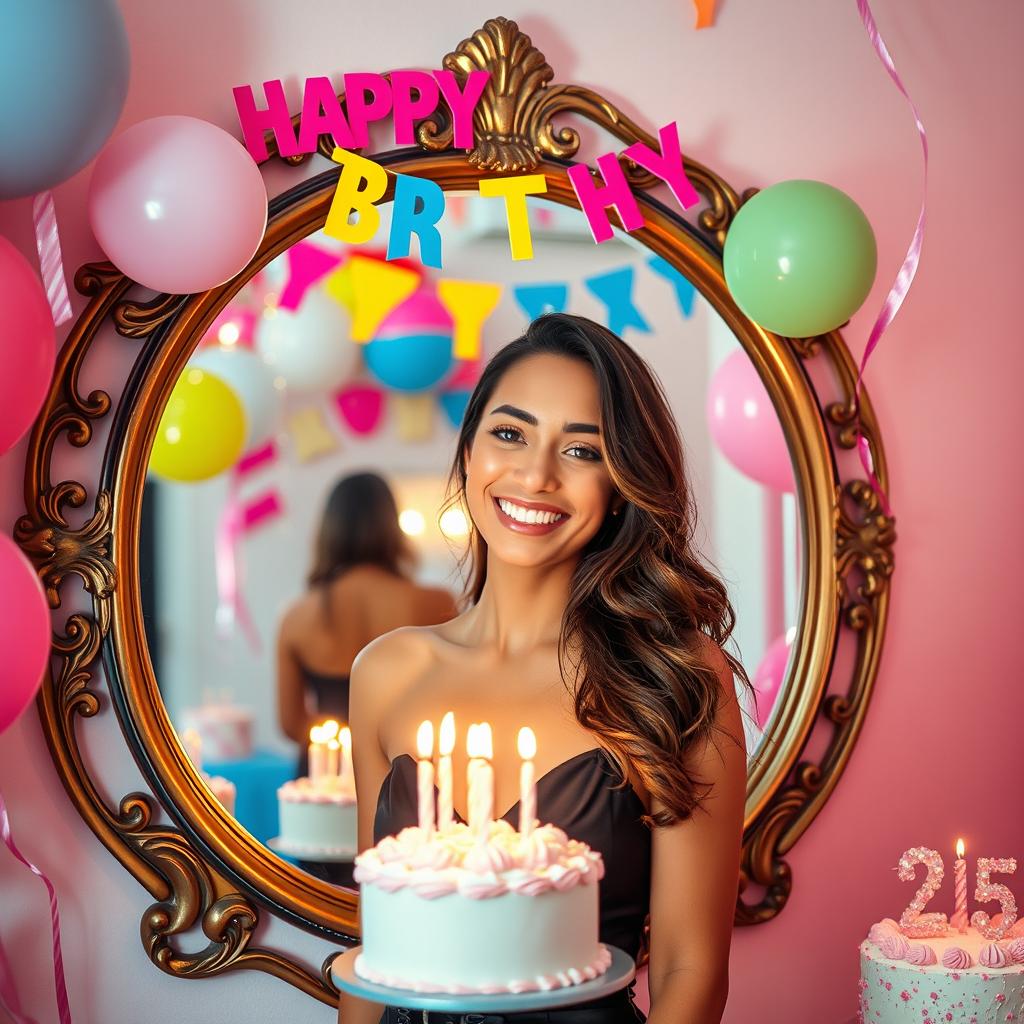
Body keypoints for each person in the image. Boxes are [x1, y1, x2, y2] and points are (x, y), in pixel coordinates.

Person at [341, 315, 750, 1024]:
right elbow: (376, 954)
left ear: (621, 483)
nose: (536, 474)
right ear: (468, 453)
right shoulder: (386, 673)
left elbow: (693, 969)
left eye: (583, 450)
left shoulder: (675, 675)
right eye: (509, 433)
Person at [276, 472, 458, 884]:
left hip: (323, 793)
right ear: (391, 526)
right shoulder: (436, 603)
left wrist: (344, 748)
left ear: (328, 532)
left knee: (324, 909)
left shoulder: (297, 617)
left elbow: (290, 724)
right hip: (409, 774)